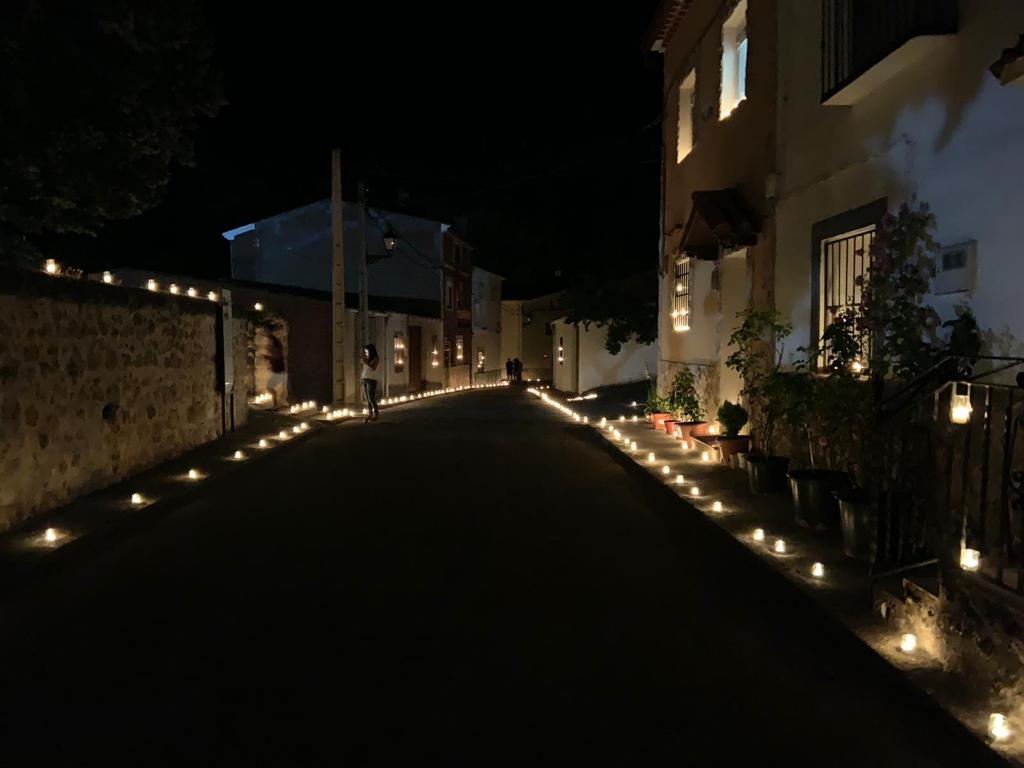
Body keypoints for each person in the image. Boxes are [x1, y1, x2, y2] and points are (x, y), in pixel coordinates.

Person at [263, 332, 288, 410]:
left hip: (279, 371)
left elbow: (276, 357)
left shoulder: (276, 350)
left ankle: (276, 404)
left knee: (270, 387)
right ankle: (278, 403)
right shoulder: (276, 349)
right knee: (273, 387)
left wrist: (267, 357)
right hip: (279, 371)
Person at [361, 344, 381, 422]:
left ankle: (376, 414)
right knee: (367, 399)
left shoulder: (375, 358)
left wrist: (366, 362)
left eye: (367, 351)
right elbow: (365, 368)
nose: (366, 353)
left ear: (371, 351)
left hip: (371, 380)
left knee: (371, 398)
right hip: (365, 379)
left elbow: (373, 367)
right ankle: (370, 414)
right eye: (365, 351)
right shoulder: (366, 358)